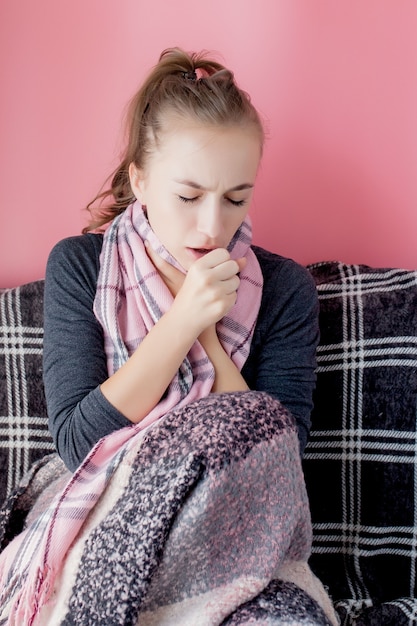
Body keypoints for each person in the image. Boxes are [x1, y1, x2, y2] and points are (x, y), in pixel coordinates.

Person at [0, 48, 338, 625]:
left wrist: (207, 335)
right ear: (140, 179)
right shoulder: (81, 267)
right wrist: (180, 321)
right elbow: (78, 441)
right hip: (100, 505)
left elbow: (278, 463)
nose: (213, 226)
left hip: (238, 521)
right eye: (189, 196)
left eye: (236, 198)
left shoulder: (282, 289)